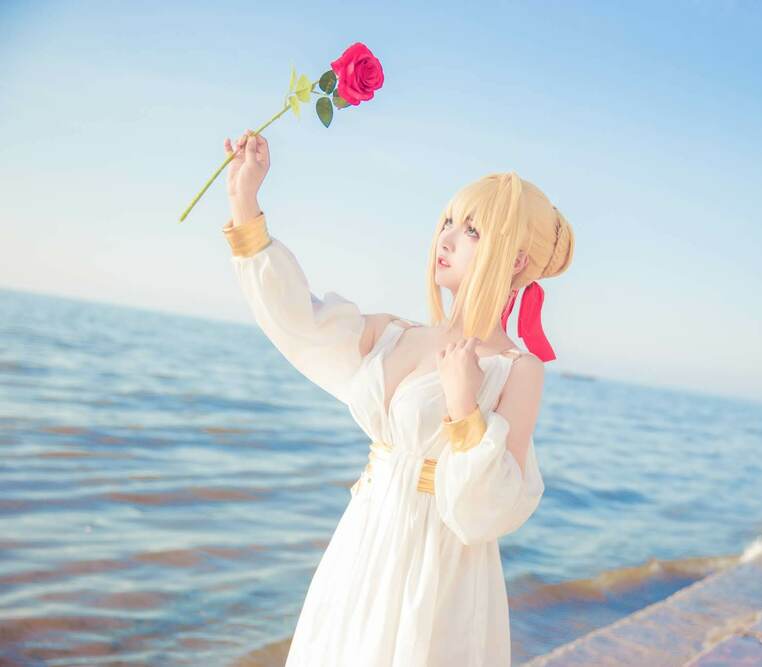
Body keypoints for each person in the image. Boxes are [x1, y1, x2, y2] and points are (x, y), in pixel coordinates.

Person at [220, 130, 575, 666]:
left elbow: (487, 512)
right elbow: (298, 323)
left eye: (472, 230)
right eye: (448, 221)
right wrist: (244, 201)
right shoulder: (393, 334)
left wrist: (464, 408)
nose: (446, 238)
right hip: (362, 548)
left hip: (437, 573)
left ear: (517, 260)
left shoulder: (515, 369)